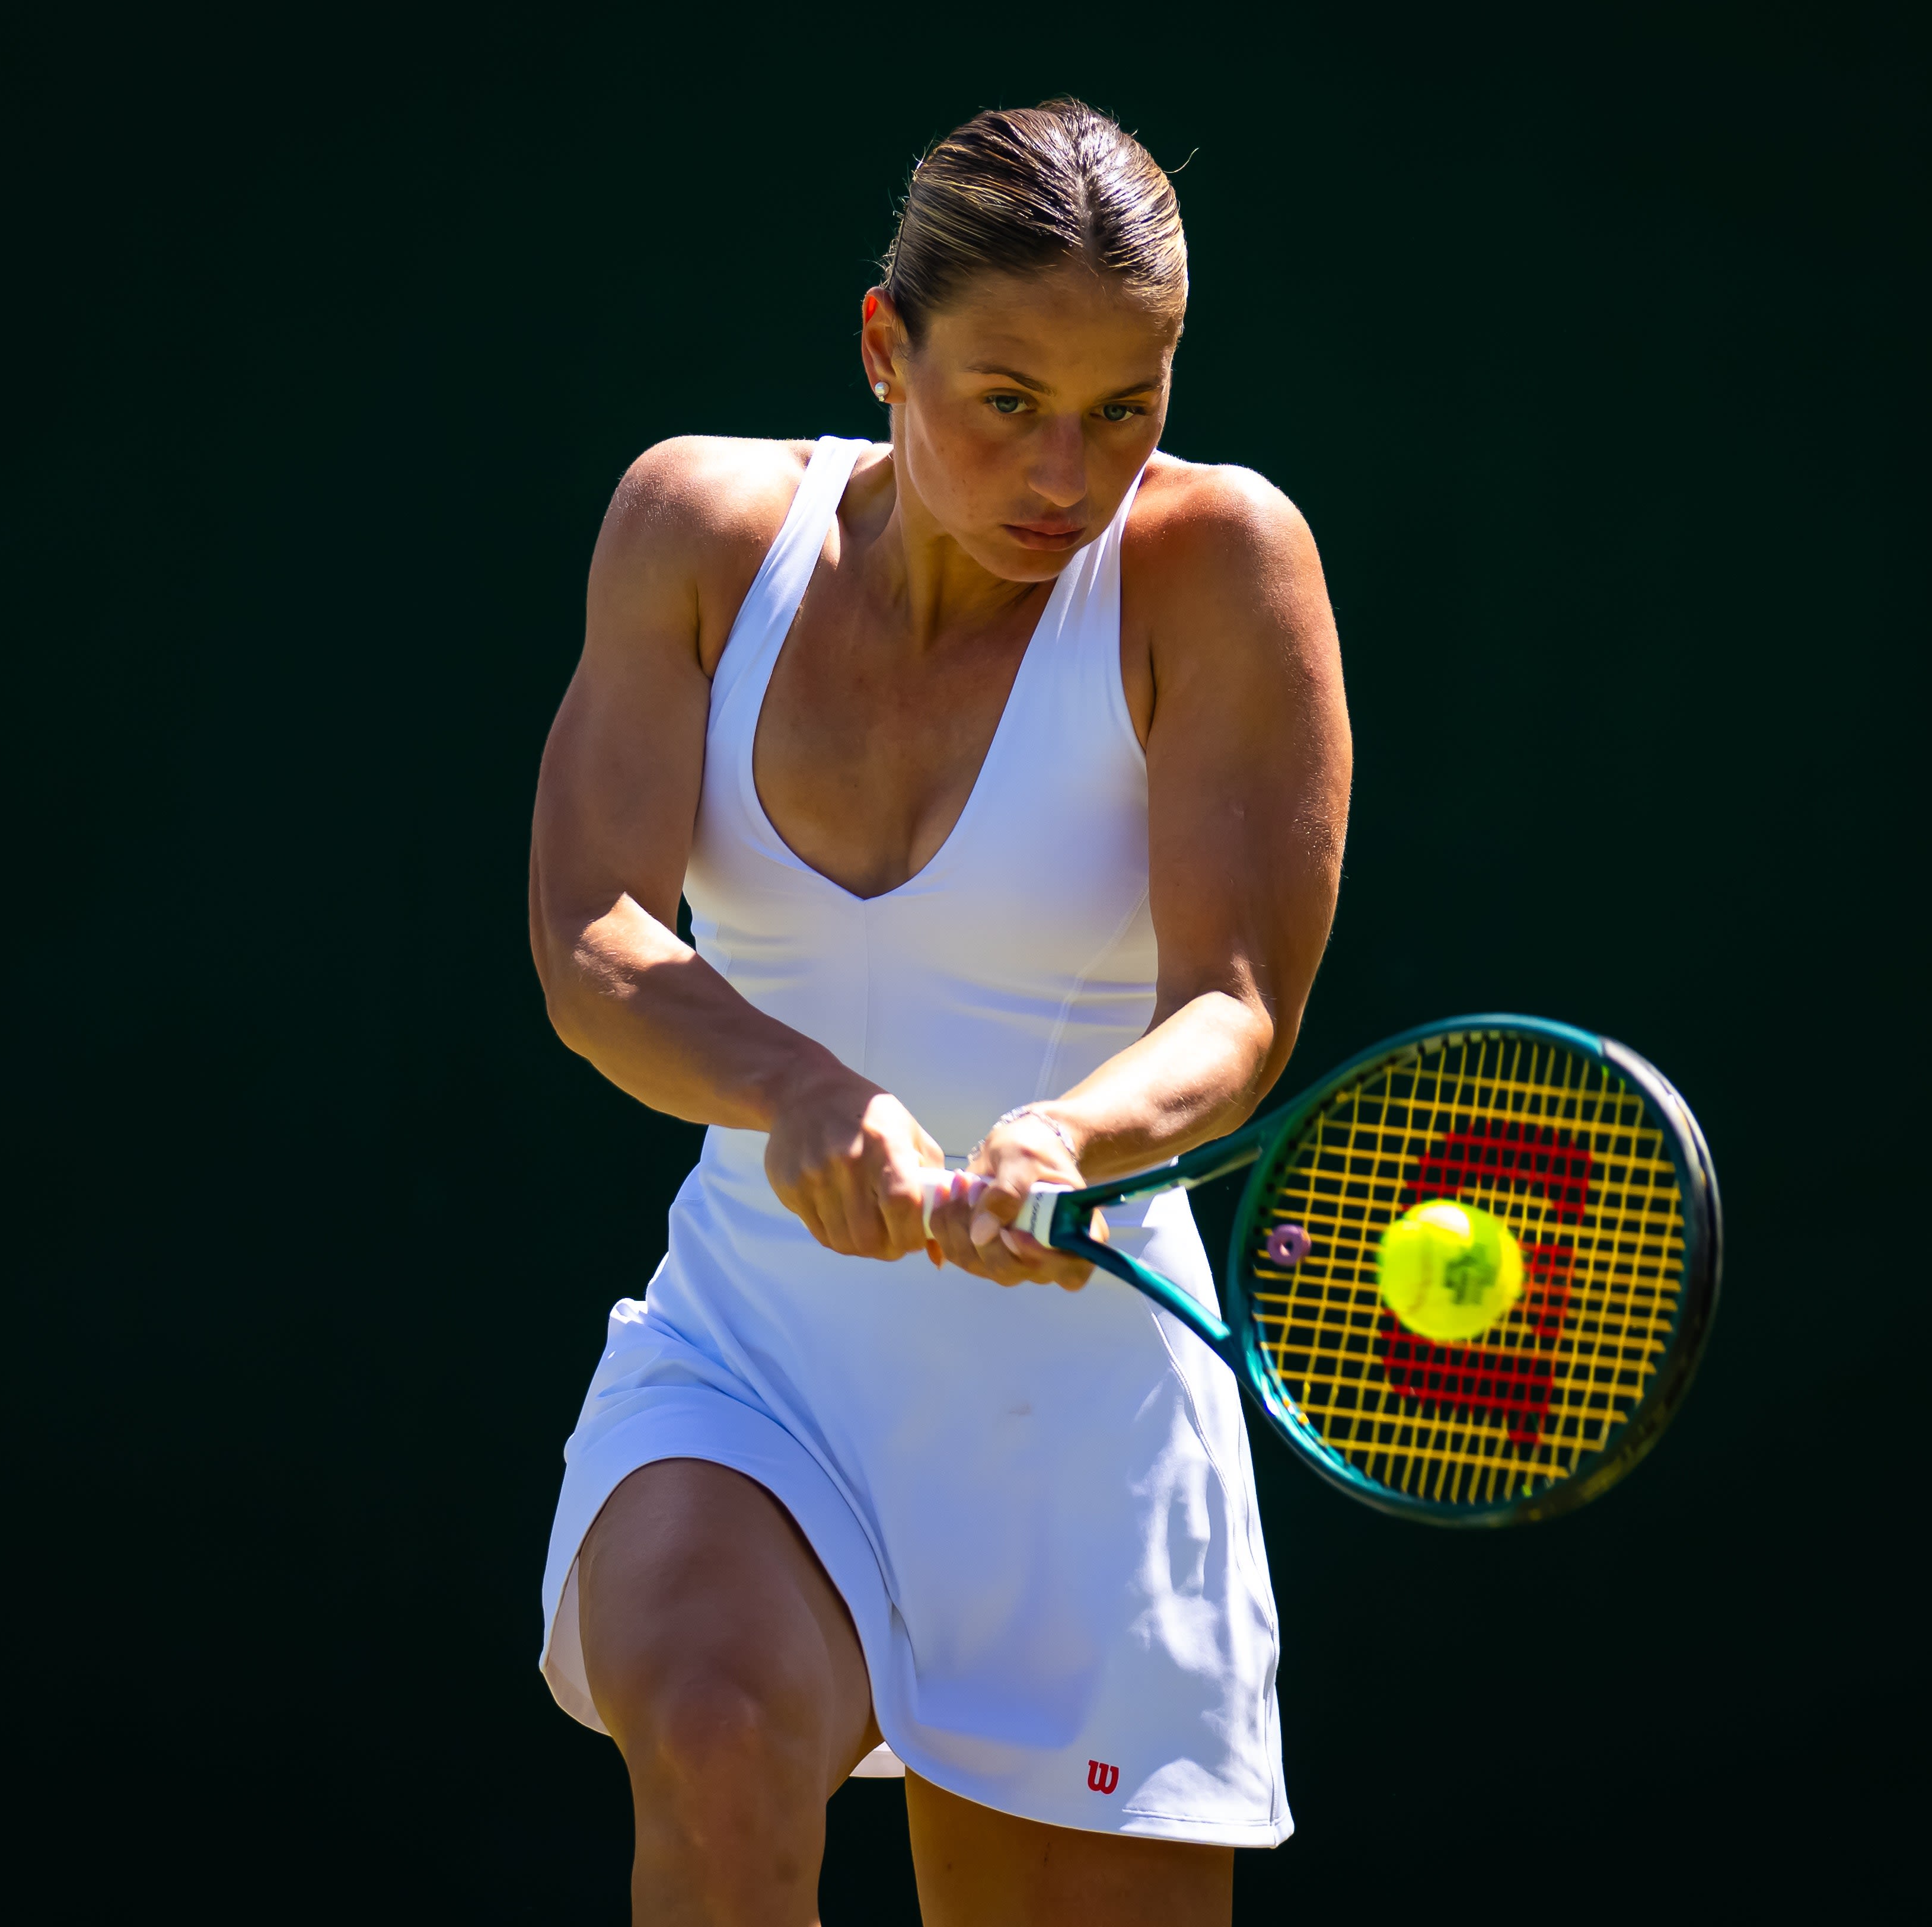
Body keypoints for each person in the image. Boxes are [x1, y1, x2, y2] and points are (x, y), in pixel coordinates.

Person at [527, 100, 1348, 1926]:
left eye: (1124, 406)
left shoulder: (1215, 564)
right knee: (720, 1731)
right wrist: (797, 1087)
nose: (1071, 470)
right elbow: (589, 936)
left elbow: (1233, 1004)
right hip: (757, 1363)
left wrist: (1068, 1138)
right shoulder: (694, 526)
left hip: (1081, 1439)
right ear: (886, 346)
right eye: (1007, 401)